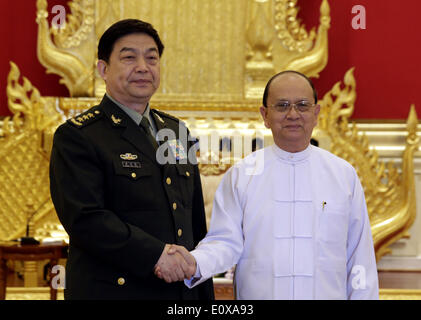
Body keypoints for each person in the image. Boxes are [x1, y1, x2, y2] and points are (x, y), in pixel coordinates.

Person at [159, 70, 379, 300]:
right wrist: (193, 262)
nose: (293, 114)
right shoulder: (242, 175)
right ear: (265, 115)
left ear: (316, 113)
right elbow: (224, 243)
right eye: (282, 106)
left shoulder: (343, 175)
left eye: (302, 105)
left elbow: (359, 258)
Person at [49, 19, 213, 300]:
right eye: (128, 57)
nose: (143, 67)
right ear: (103, 69)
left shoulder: (176, 131)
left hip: (179, 293)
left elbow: (194, 220)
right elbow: (86, 219)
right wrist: (155, 255)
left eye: (152, 58)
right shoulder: (78, 136)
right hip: (115, 292)